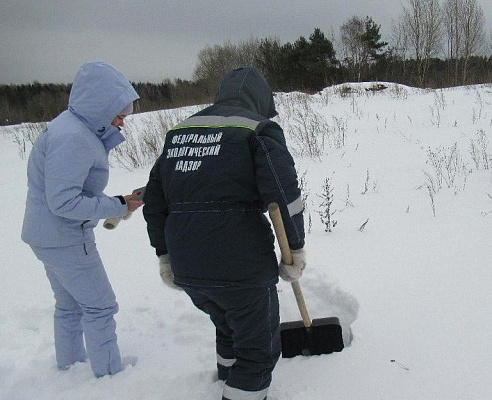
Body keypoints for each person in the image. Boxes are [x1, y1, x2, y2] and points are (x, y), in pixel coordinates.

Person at [143, 67, 306, 400]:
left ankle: (225, 376)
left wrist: (165, 256)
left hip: (189, 268)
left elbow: (154, 203)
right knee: (258, 354)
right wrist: (296, 249)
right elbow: (283, 195)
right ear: (261, 100)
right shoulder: (258, 129)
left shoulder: (180, 132)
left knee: (229, 326)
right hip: (241, 266)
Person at [21, 61, 143, 378]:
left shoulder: (71, 128)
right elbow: (63, 201)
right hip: (65, 238)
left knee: (70, 304)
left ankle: (70, 365)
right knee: (100, 306)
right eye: (120, 114)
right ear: (99, 107)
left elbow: (66, 191)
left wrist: (120, 203)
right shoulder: (74, 138)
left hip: (46, 235)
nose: (122, 122)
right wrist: (117, 205)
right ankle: (108, 375)